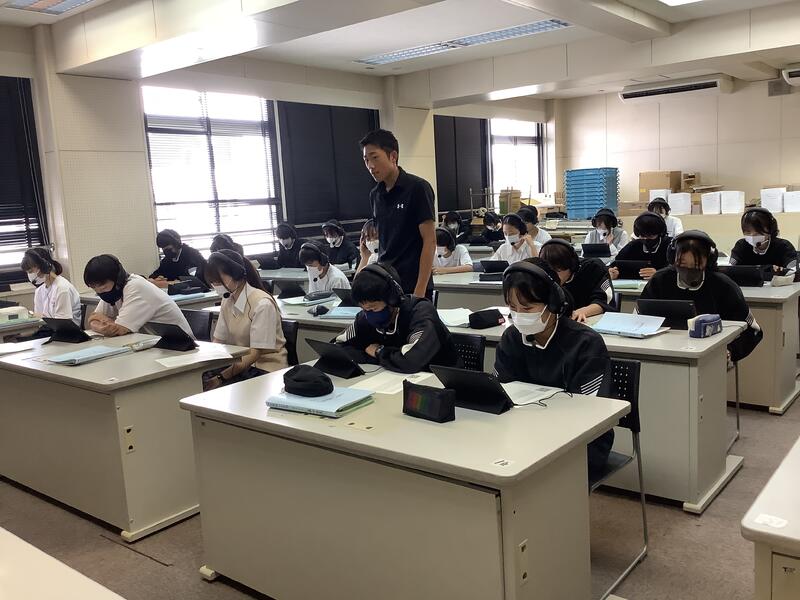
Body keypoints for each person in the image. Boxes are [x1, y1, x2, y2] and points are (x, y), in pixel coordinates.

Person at [493, 258, 614, 481]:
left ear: (553, 302)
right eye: (513, 308)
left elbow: (588, 411)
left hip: (581, 441)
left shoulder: (585, 343)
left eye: (527, 308)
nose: (519, 315)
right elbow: (501, 392)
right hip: (525, 431)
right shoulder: (512, 337)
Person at [640, 231, 762, 362]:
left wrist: (730, 351)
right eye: (682, 267)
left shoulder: (724, 286)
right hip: (662, 353)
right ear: (672, 259)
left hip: (711, 358)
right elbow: (638, 321)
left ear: (708, 261)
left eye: (695, 268)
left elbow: (753, 331)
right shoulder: (659, 281)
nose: (687, 274)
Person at [335, 263, 461, 373]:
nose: (368, 314)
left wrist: (379, 352)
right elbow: (338, 348)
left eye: (373, 308)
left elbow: (412, 360)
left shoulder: (420, 313)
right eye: (364, 309)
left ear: (392, 299)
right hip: (392, 378)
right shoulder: (364, 317)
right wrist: (375, 358)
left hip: (438, 381)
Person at [362, 129, 436, 298]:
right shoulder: (375, 195)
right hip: (385, 283)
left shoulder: (418, 188)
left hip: (413, 284)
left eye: (375, 157)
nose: (370, 166)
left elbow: (430, 241)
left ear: (393, 156)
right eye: (366, 160)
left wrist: (419, 291)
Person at [203, 249, 287, 390]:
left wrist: (221, 377)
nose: (215, 285)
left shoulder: (262, 303)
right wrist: (204, 365)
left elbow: (255, 353)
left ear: (235, 275)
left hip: (265, 370)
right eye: (213, 282)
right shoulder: (227, 299)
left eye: (218, 280)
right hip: (240, 367)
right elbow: (218, 341)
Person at [84, 254, 192, 337]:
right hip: (153, 343)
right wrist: (102, 325)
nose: (101, 293)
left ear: (118, 279)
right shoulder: (115, 291)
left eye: (103, 288)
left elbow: (119, 330)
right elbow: (93, 317)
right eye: (95, 290)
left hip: (179, 347)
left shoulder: (135, 287)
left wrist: (102, 323)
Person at [539, 239, 615, 322]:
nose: (552, 276)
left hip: (589, 320)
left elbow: (604, 301)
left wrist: (582, 311)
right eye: (548, 271)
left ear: (572, 265)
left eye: (557, 270)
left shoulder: (593, 268)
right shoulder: (542, 276)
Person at [20, 247, 81, 326]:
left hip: (67, 331)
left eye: (31, 271)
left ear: (44, 267)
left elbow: (63, 323)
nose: (30, 275)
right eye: (28, 272)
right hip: (49, 329)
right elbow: (39, 319)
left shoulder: (62, 288)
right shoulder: (39, 291)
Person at [730, 207, 797, 271]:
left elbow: (794, 270)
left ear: (770, 230)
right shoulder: (741, 245)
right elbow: (730, 267)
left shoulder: (784, 246)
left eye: (758, 233)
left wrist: (781, 271)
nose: (752, 236)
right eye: (748, 232)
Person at [611, 212, 670, 280]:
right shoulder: (633, 246)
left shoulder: (670, 246)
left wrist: (659, 274)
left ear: (660, 233)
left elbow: (677, 270)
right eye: (642, 236)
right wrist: (612, 272)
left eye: (650, 236)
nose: (646, 239)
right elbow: (615, 264)